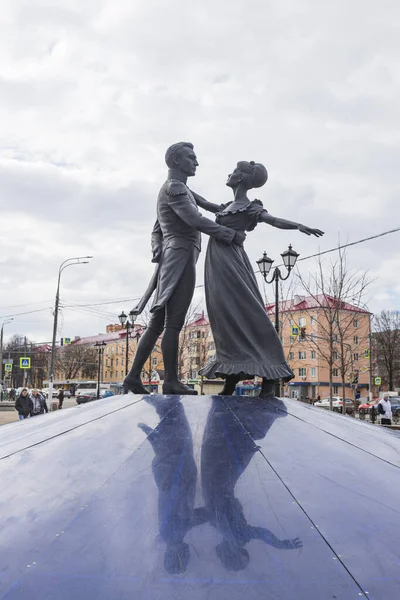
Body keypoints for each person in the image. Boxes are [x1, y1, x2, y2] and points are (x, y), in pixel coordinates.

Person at [124, 142, 246, 396]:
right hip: (180, 256)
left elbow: (205, 209)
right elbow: (195, 219)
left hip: (174, 255)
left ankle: (133, 378)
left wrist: (238, 208)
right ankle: (170, 381)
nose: (196, 162)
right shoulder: (176, 189)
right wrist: (228, 234)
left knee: (157, 322)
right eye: (191, 157)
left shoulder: (177, 189)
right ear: (177, 161)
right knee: (172, 322)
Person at [199, 161, 324, 398]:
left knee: (247, 312)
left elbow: (273, 220)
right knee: (226, 318)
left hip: (232, 263)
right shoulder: (227, 207)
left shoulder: (249, 208)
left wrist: (297, 225)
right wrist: (176, 185)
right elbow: (203, 203)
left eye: (235, 171)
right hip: (217, 263)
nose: (230, 173)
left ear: (242, 179)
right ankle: (231, 376)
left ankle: (271, 374)